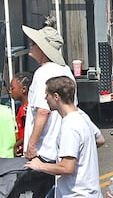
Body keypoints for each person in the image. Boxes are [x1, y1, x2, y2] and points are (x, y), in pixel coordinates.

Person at [25, 76, 99, 198]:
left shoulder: (70, 126)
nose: (45, 99)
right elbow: (100, 139)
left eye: (47, 95)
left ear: (56, 97)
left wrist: (40, 166)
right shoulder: (82, 116)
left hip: (77, 194)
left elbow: (67, 167)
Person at [22, 20, 75, 169]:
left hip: (44, 150)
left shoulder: (42, 73)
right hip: (61, 147)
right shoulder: (66, 70)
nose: (31, 45)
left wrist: (31, 145)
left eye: (34, 42)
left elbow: (43, 111)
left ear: (42, 48)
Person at [10, 71, 31, 157]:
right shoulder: (23, 108)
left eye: (12, 88)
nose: (10, 91)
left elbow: (29, 132)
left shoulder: (25, 110)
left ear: (23, 89)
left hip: (25, 151)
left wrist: (16, 144)